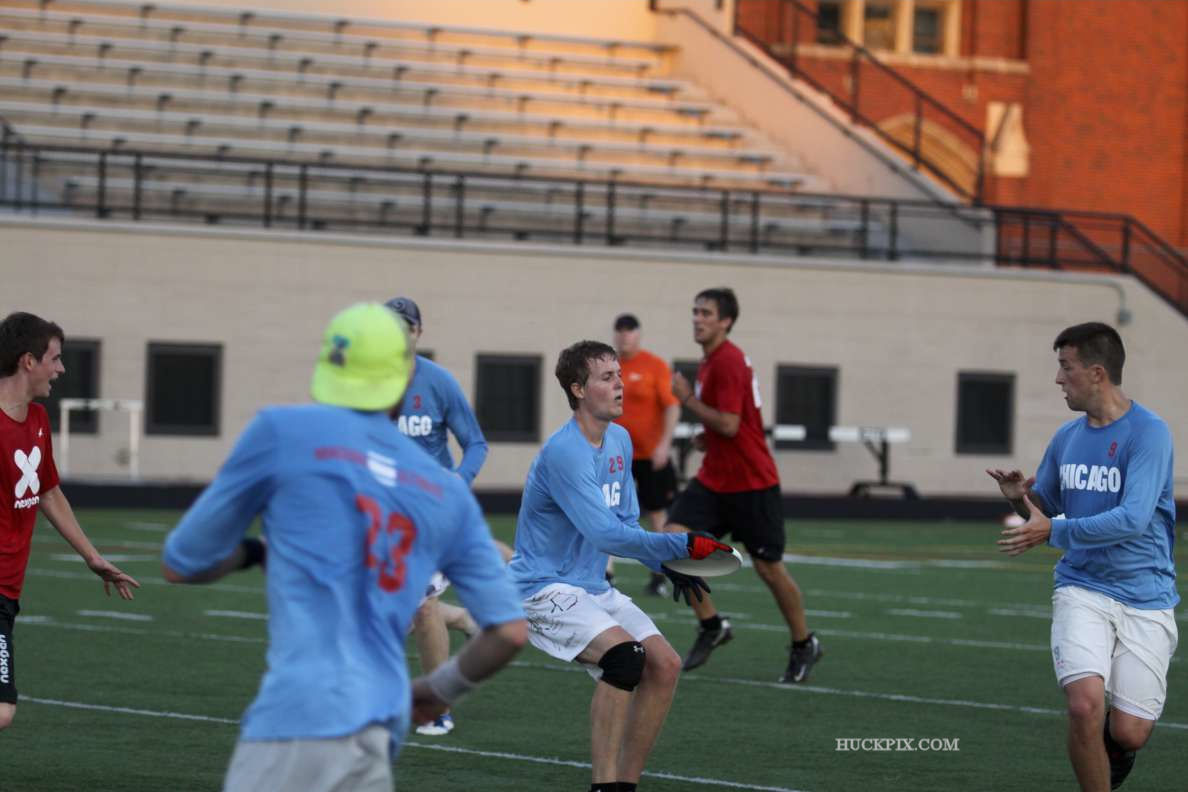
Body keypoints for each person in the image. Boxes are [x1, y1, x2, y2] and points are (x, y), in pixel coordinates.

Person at [161, 302, 527, 792]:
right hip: (378, 730)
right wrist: (438, 689)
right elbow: (509, 631)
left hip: (294, 725)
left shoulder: (280, 432)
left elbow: (181, 562)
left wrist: (255, 553)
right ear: (403, 379)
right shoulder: (443, 489)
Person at [508, 340, 731, 792]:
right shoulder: (565, 451)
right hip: (543, 587)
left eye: (619, 375)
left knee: (664, 665)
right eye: (607, 377)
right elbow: (605, 535)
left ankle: (625, 785)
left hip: (590, 584)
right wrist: (679, 546)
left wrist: (665, 561)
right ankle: (604, 786)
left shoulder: (621, 439)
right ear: (578, 389)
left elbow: (626, 522)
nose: (620, 385)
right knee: (625, 659)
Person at [989, 322, 1177, 792]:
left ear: (1096, 373)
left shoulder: (1150, 434)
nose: (1058, 378)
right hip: (1081, 586)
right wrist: (1020, 499)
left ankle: (1114, 749)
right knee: (1083, 704)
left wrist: (1053, 529)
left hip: (1146, 595)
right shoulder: (1066, 437)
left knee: (1130, 732)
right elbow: (1046, 509)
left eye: (1065, 367)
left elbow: (1133, 519)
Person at [666, 287, 822, 682]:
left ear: (726, 321)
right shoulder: (710, 361)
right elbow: (726, 423)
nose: (697, 318)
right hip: (716, 478)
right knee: (672, 538)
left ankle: (804, 643)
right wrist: (707, 436)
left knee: (769, 569)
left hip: (751, 481)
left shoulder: (728, 361)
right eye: (695, 311)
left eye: (706, 313)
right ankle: (712, 625)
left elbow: (731, 424)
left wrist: (687, 401)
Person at [0, 312, 140, 733]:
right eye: (55, 358)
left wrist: (91, 557)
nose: (61, 369)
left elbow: (48, 492)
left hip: (8, 589)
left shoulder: (38, 421)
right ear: (28, 361)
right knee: (1, 710)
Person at [385, 296, 493, 737]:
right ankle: (464, 619)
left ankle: (436, 707)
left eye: (405, 327)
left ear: (418, 333)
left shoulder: (438, 383)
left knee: (422, 605)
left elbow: (476, 443)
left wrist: (458, 482)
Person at [612, 313, 680, 598]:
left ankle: (659, 575)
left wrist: (664, 444)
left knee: (657, 513)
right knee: (609, 511)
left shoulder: (654, 365)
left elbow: (672, 406)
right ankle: (606, 575)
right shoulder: (610, 365)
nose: (624, 335)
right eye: (620, 330)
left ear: (638, 334)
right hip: (617, 454)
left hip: (650, 455)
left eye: (630, 330)